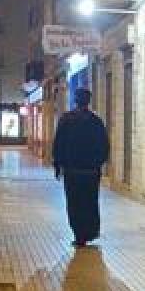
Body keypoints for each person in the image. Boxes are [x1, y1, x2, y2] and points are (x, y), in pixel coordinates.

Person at [52, 88, 109, 247]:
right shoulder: (96, 121)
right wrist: (98, 163)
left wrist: (58, 165)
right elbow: (104, 145)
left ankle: (79, 234)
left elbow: (58, 144)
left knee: (74, 202)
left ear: (75, 100)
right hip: (91, 172)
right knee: (90, 201)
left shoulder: (66, 119)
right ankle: (90, 231)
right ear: (88, 101)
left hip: (72, 172)